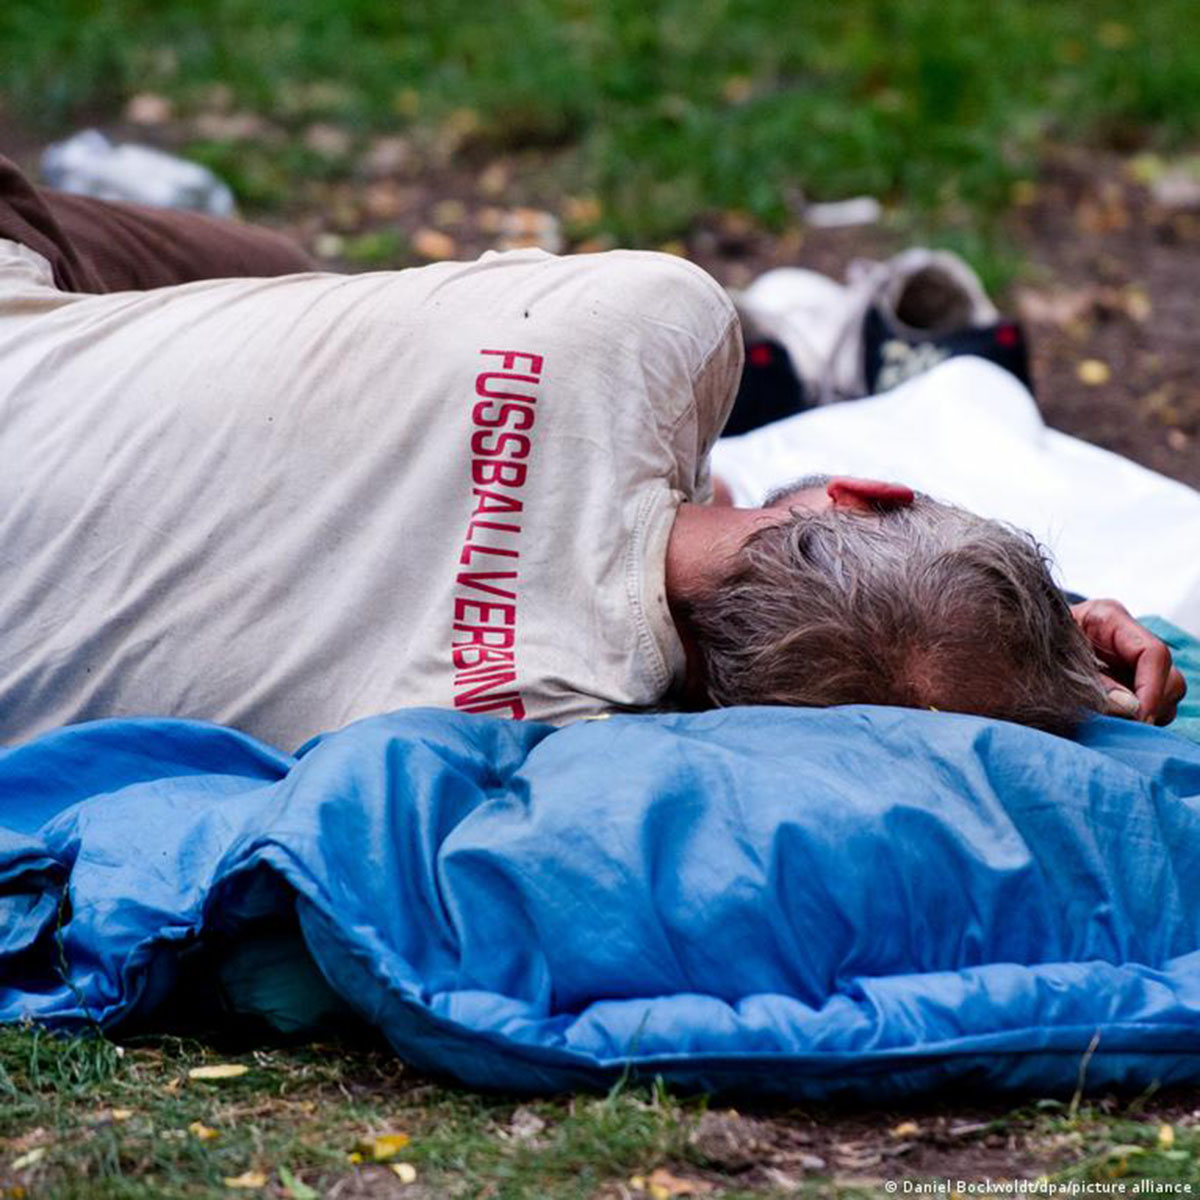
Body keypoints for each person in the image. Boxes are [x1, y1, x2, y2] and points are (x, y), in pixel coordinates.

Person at [0, 153, 1185, 749]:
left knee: (270, 271)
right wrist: (1003, 657)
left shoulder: (646, 324)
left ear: (867, 487)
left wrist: (1014, 616)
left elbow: (613, 490)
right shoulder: (547, 723)